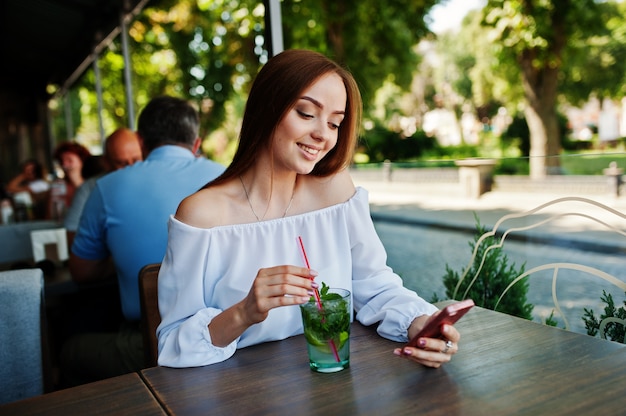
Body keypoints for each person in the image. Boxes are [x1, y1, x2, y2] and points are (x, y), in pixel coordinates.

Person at [156, 49, 461, 370]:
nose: (322, 134)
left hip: (332, 379)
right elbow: (173, 343)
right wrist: (243, 312)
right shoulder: (202, 215)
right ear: (266, 108)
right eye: (305, 113)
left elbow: (373, 285)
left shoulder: (336, 191)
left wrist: (419, 325)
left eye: (334, 123)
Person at [62, 96, 225, 386]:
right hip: (229, 331)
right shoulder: (228, 176)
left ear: (140, 141)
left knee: (70, 350)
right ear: (196, 144)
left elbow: (82, 272)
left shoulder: (105, 187)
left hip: (150, 343)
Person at [64, 128, 143, 246]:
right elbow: (70, 233)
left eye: (136, 160)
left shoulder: (154, 183)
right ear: (106, 163)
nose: (131, 168)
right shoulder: (90, 188)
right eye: (122, 163)